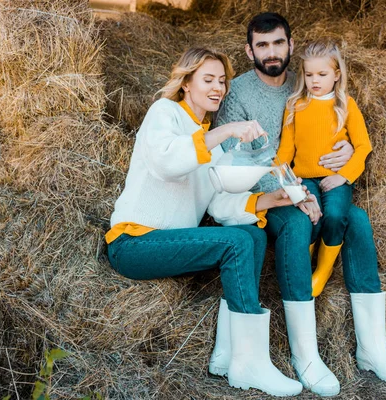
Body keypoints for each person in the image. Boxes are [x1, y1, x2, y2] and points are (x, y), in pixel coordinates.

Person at [213, 13, 386, 396]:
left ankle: (374, 349)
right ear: (249, 50)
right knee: (295, 224)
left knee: (357, 220)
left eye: (278, 43)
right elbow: (232, 161)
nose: (271, 52)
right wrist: (293, 193)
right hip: (269, 198)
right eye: (262, 45)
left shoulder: (308, 80)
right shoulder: (238, 93)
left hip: (316, 187)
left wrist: (348, 152)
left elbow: (339, 130)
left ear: (290, 45)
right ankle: (306, 355)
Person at [105, 47, 303, 397]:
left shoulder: (210, 137)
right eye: (208, 80)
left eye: (222, 81)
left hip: (174, 244)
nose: (218, 88)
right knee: (238, 242)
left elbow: (220, 203)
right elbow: (168, 162)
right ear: (186, 84)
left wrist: (271, 200)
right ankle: (252, 363)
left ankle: (229, 354)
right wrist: (225, 132)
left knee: (250, 234)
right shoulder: (164, 113)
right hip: (133, 243)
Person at [277, 38, 373, 297]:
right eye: (309, 74)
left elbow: (363, 146)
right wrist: (286, 183)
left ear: (336, 74)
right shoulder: (295, 106)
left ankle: (323, 270)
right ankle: (304, 266)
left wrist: (343, 176)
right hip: (304, 178)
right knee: (311, 218)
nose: (314, 80)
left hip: (336, 179)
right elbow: (285, 152)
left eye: (322, 74)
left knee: (335, 216)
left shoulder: (346, 105)